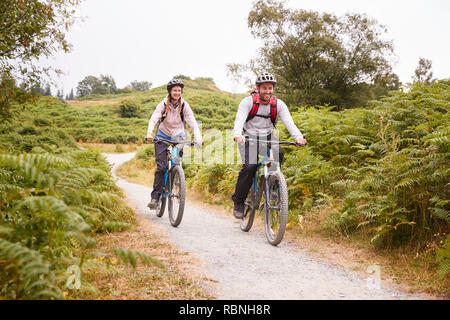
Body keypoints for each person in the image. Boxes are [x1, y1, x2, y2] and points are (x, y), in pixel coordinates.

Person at [232, 72, 307, 219]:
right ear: (258, 88)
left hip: (268, 138)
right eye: (265, 88)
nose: (268, 91)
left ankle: (272, 186)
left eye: (270, 88)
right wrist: (237, 134)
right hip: (248, 138)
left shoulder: (278, 105)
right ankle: (239, 201)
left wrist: (298, 137)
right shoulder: (247, 102)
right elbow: (239, 120)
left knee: (277, 155)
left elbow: (289, 123)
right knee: (250, 167)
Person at [145, 78, 202, 209]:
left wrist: (198, 137)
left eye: (179, 90)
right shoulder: (163, 104)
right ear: (170, 91)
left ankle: (175, 178)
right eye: (175, 90)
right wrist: (149, 133)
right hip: (162, 135)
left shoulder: (184, 105)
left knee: (176, 162)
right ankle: (155, 198)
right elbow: (154, 118)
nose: (177, 92)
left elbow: (192, 122)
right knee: (161, 167)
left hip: (178, 135)